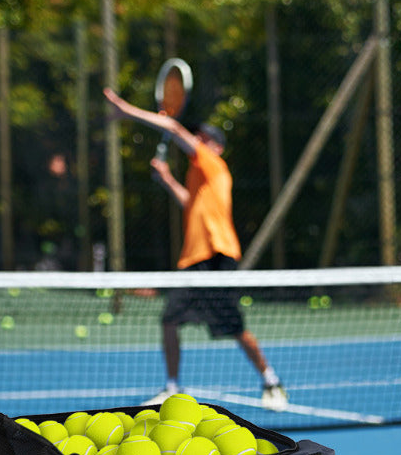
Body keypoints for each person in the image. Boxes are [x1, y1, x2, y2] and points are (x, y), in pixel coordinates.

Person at [103, 86, 288, 409]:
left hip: (217, 257)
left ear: (216, 147)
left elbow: (174, 128)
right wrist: (168, 180)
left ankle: (271, 380)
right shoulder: (198, 178)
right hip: (194, 260)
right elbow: (191, 206)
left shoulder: (214, 165)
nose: (198, 141)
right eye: (198, 137)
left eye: (204, 138)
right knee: (169, 320)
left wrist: (125, 110)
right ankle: (172, 387)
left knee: (235, 328)